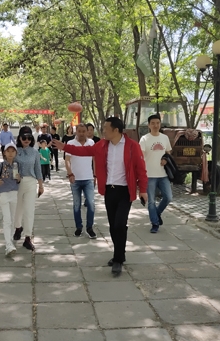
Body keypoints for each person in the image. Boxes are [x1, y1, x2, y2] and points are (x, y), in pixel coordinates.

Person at [53, 117, 148, 276]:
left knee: (120, 225)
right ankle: (120, 253)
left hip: (125, 191)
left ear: (116, 130)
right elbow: (84, 151)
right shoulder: (102, 145)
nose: (103, 131)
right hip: (109, 191)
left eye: (105, 128)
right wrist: (65, 147)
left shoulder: (133, 146)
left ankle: (117, 259)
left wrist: (143, 189)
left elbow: (141, 169)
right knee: (112, 226)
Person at [139, 114, 173, 233]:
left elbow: (168, 153)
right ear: (149, 125)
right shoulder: (144, 139)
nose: (155, 125)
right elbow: (140, 157)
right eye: (153, 123)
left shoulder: (165, 138)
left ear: (160, 124)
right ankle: (155, 223)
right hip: (149, 175)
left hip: (163, 175)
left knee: (168, 197)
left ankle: (157, 214)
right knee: (151, 201)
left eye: (157, 123)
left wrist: (165, 159)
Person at [14, 126, 44, 251]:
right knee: (17, 209)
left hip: (31, 182)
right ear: (19, 138)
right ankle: (18, 227)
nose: (26, 140)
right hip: (17, 184)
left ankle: (27, 237)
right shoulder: (14, 151)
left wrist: (41, 185)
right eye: (24, 137)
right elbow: (9, 166)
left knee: (29, 210)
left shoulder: (35, 152)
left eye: (29, 138)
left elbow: (38, 169)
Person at [65, 123, 96, 238]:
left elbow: (95, 159)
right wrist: (70, 173)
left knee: (91, 203)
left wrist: (95, 175)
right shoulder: (70, 143)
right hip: (75, 179)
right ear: (76, 131)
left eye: (84, 131)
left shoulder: (91, 143)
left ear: (87, 131)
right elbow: (67, 160)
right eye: (80, 131)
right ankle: (79, 227)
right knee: (76, 204)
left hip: (88, 178)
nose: (82, 133)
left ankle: (89, 227)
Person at [0, 142, 21, 256]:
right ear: (4, 153)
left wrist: (19, 178)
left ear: (16, 153)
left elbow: (19, 180)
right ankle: (8, 245)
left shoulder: (17, 165)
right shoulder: (0, 165)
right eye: (8, 151)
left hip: (14, 193)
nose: (10, 153)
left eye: (13, 151)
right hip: (3, 193)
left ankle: (10, 242)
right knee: (7, 219)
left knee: (12, 219)